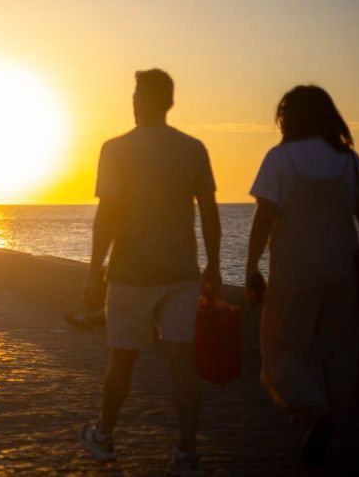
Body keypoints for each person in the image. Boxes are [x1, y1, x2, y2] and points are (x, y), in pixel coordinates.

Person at [77, 69, 221, 475]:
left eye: (136, 95)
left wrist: (94, 272)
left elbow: (108, 215)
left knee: (122, 361)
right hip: (181, 272)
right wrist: (212, 263)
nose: (133, 102)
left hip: (130, 274)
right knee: (182, 361)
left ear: (143, 101)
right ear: (170, 102)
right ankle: (186, 452)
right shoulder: (193, 149)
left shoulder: (116, 149)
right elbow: (209, 213)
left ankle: (103, 437)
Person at [245, 85, 359, 468]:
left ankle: (314, 412)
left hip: (296, 270)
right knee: (334, 351)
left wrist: (251, 267)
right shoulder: (348, 161)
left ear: (289, 117)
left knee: (280, 344)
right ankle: (327, 420)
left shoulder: (281, 158)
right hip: (344, 269)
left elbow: (263, 219)